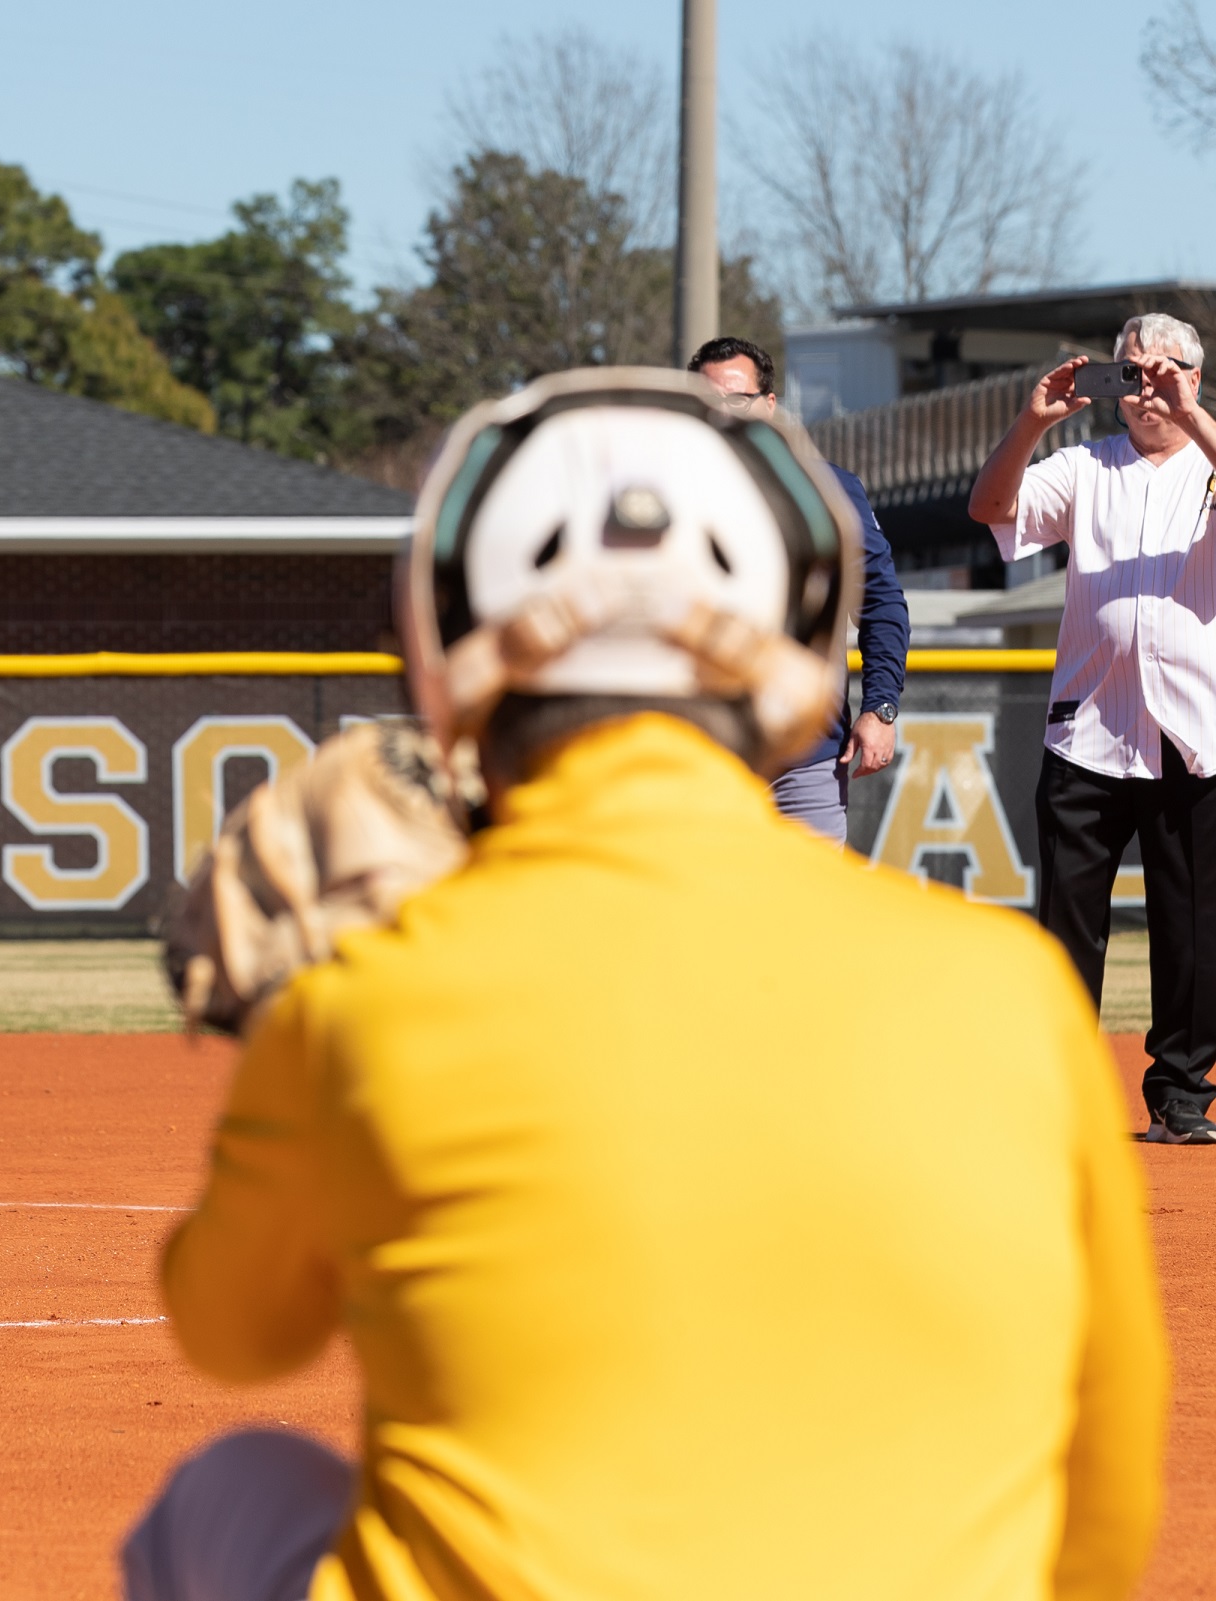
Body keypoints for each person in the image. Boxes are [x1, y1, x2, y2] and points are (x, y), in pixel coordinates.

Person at [127, 370, 1165, 1601]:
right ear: (800, 617)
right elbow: (1108, 1482)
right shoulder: (1011, 993)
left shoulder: (375, 998)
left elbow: (231, 1329)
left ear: (445, 627)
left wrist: (291, 1046)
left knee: (221, 1487)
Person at [970, 311, 1216, 1145]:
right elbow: (990, 505)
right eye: (1132, 371)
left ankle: (1183, 1098)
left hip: (1194, 736)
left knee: (1193, 931)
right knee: (1069, 924)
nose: (1146, 386)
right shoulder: (1083, 465)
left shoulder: (1208, 462)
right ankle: (1061, 1093)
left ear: (1192, 374)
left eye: (1164, 369)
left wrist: (1192, 416)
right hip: (1089, 734)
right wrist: (1032, 422)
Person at [688, 335, 908, 840]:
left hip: (805, 760)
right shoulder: (668, 498)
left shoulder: (827, 492)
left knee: (809, 919)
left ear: (768, 406)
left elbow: (881, 604)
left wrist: (880, 708)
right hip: (702, 754)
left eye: (737, 399)